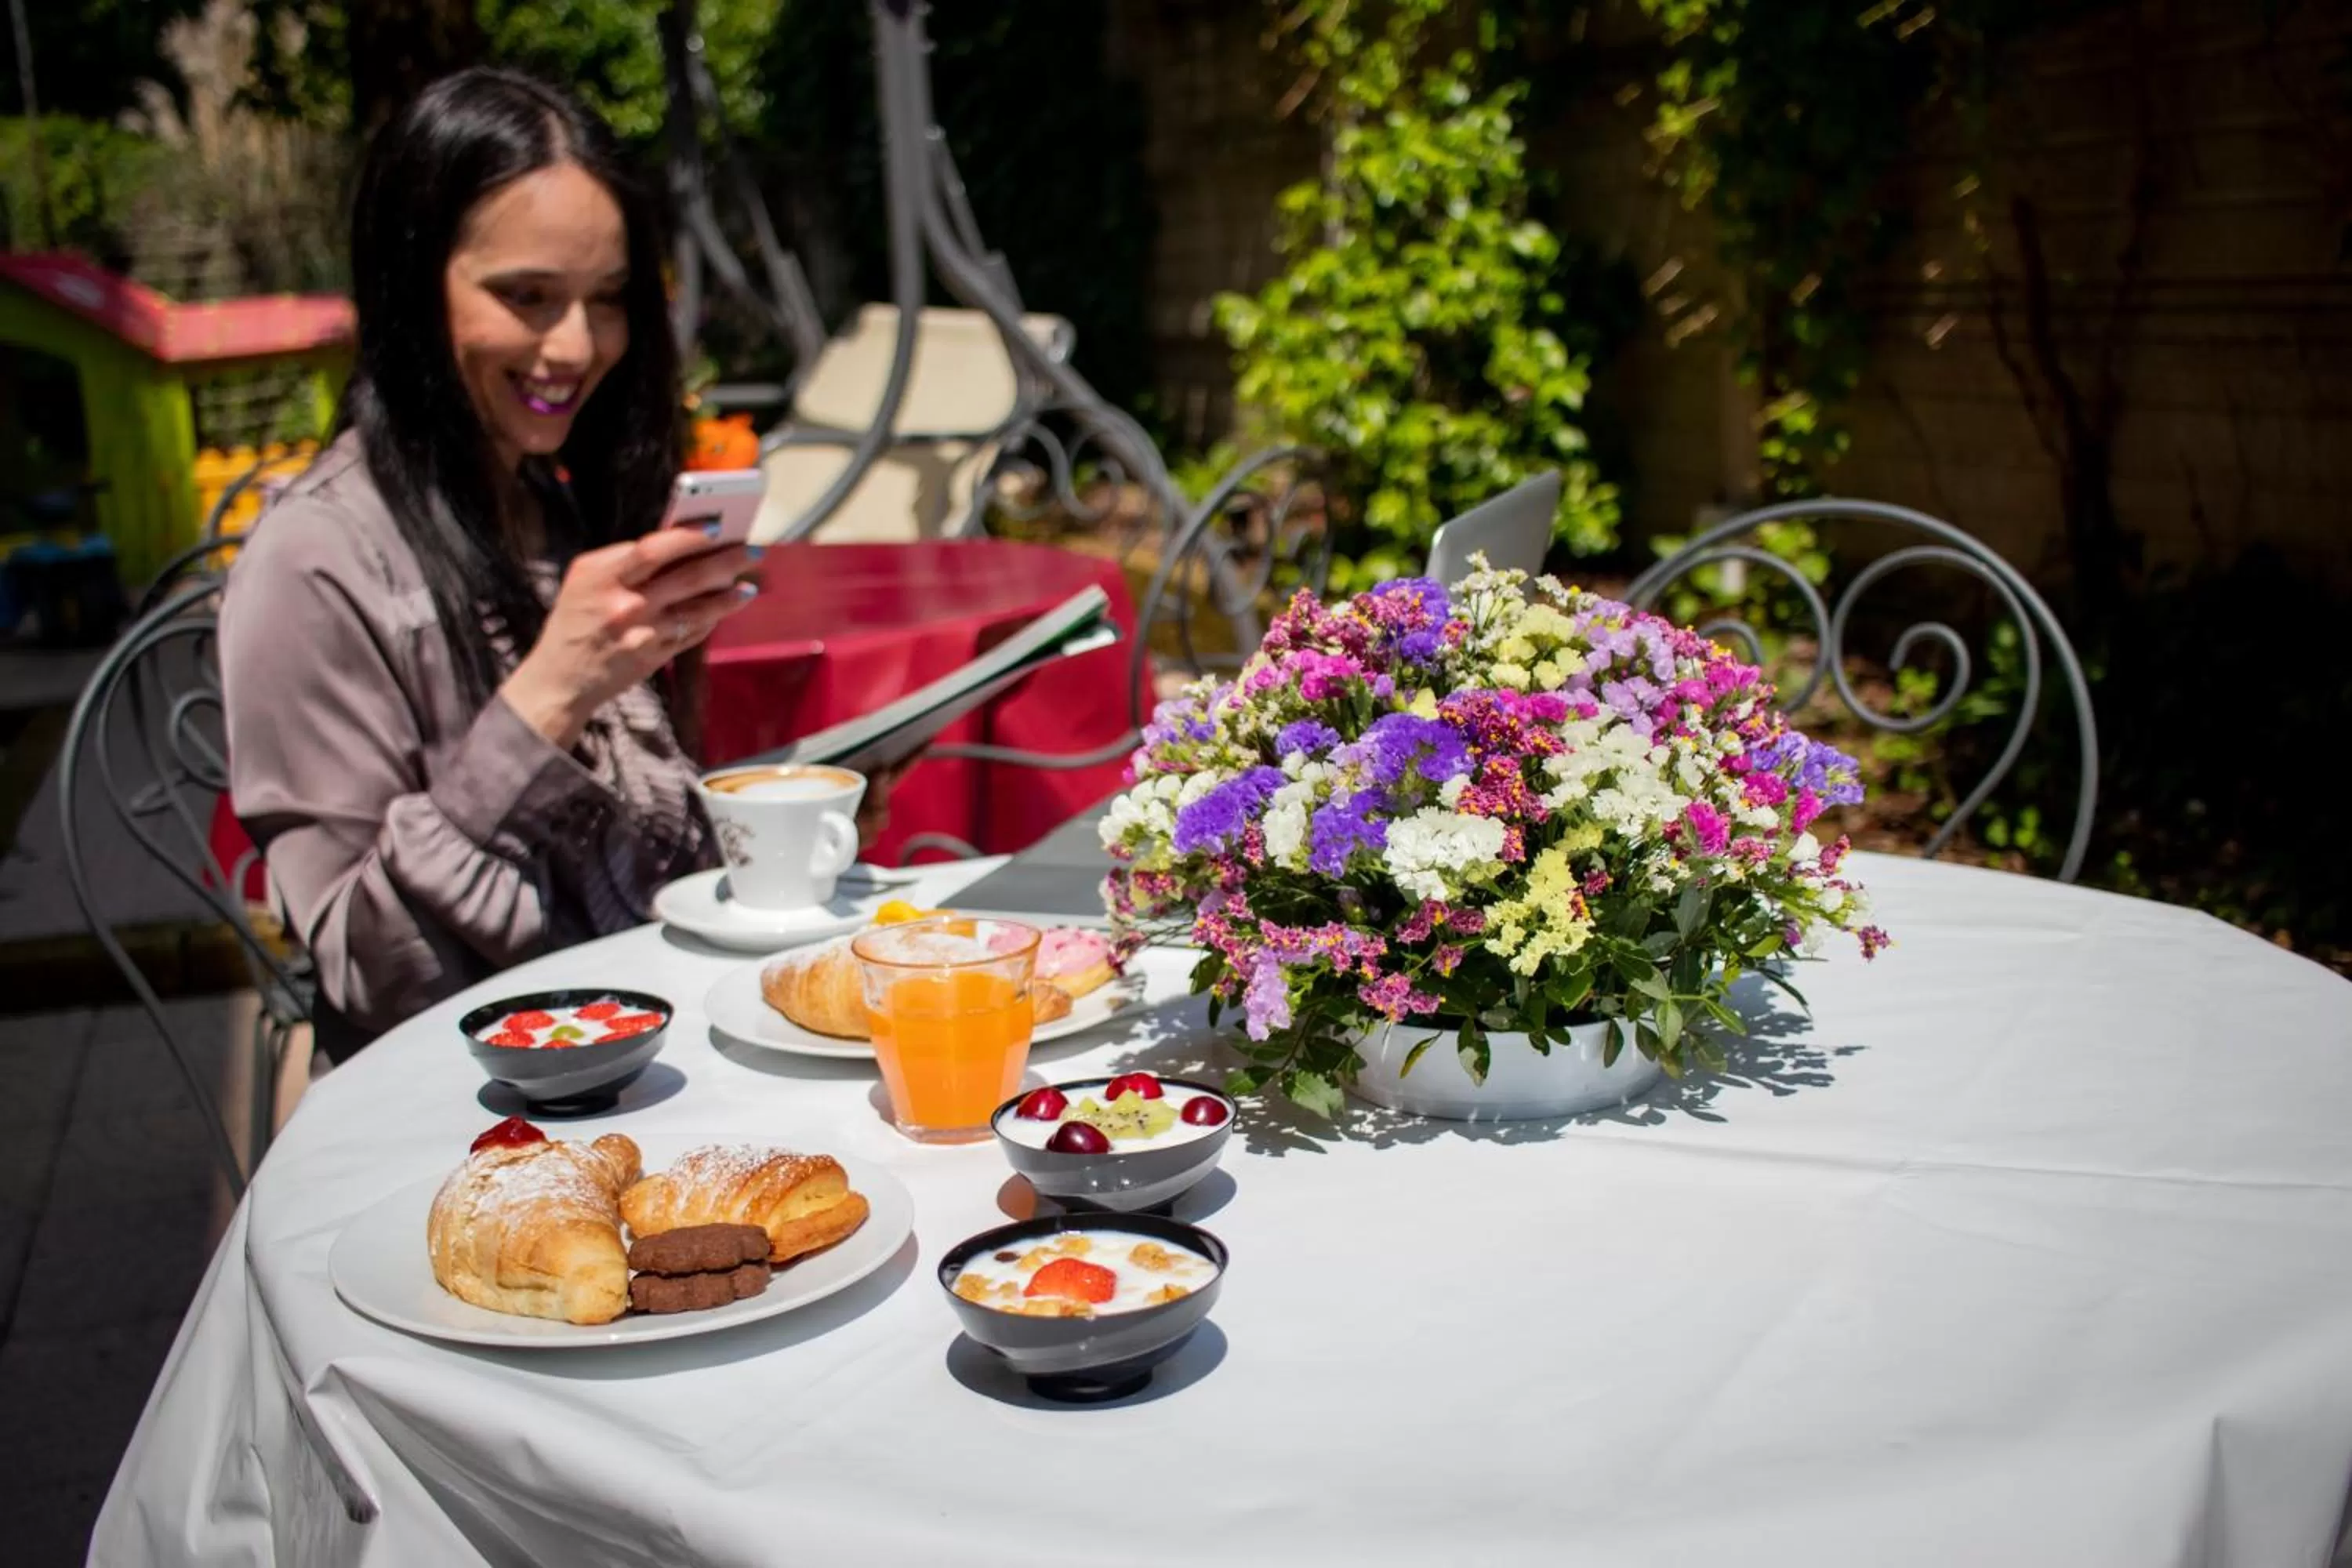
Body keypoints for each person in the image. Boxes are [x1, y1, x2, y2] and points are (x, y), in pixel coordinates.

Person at [221, 68, 883, 1058]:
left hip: (639, 1047)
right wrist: (549, 698)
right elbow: (366, 969)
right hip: (461, 1109)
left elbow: (632, 861)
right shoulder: (313, 561)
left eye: (608, 299)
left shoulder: (552, 502)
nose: (575, 345)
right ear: (411, 285)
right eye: (527, 297)